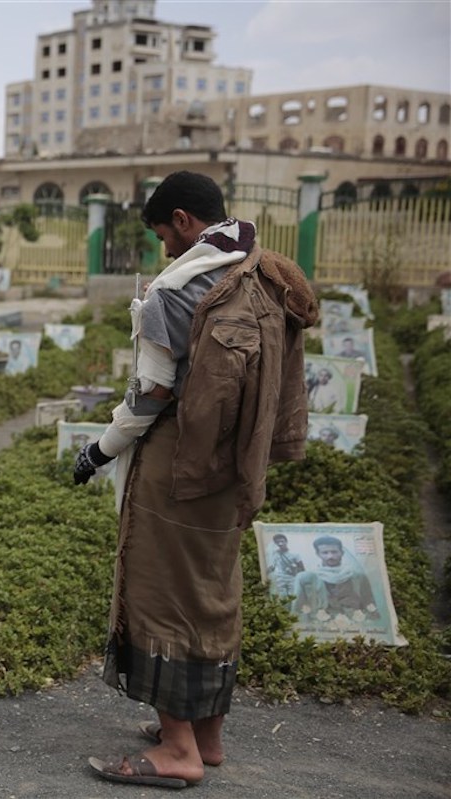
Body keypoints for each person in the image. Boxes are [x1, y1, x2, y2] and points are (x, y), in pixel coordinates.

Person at [73, 171, 317, 788]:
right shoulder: (264, 271)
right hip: (235, 463)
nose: (164, 250)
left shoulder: (173, 290)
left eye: (163, 234)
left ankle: (176, 751)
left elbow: (152, 392)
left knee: (162, 593)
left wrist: (100, 450)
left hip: (179, 461)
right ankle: (206, 737)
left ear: (183, 220)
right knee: (211, 590)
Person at [291, 536, 379, 621]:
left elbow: (370, 606)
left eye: (334, 552)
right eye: (325, 553)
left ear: (342, 552)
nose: (330, 556)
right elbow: (297, 609)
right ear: (318, 554)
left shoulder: (358, 576)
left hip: (353, 626)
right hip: (318, 626)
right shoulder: (305, 578)